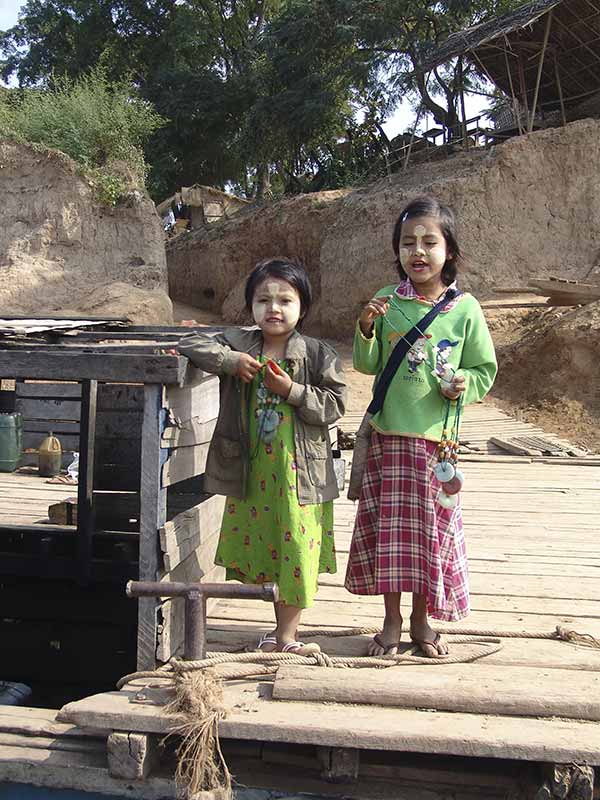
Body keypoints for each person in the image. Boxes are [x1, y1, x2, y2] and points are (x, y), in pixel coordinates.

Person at [345, 195, 497, 658]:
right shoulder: (387, 301)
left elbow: (484, 369)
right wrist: (367, 328)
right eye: (408, 242)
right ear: (397, 252)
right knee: (393, 537)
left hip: (439, 447)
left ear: (450, 251)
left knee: (432, 536)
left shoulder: (465, 309)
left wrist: (462, 384)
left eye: (430, 241)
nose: (418, 251)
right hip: (391, 439)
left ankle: (420, 621)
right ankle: (390, 621)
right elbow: (367, 364)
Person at [178, 257, 346, 654]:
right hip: (252, 472)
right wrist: (231, 362)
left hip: (298, 476)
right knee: (263, 545)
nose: (273, 308)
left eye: (285, 300)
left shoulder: (318, 354)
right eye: (263, 300)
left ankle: (287, 636)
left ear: (302, 307)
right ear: (250, 307)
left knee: (295, 550)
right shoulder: (238, 343)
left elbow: (336, 404)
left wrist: (292, 390)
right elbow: (189, 342)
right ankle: (275, 628)